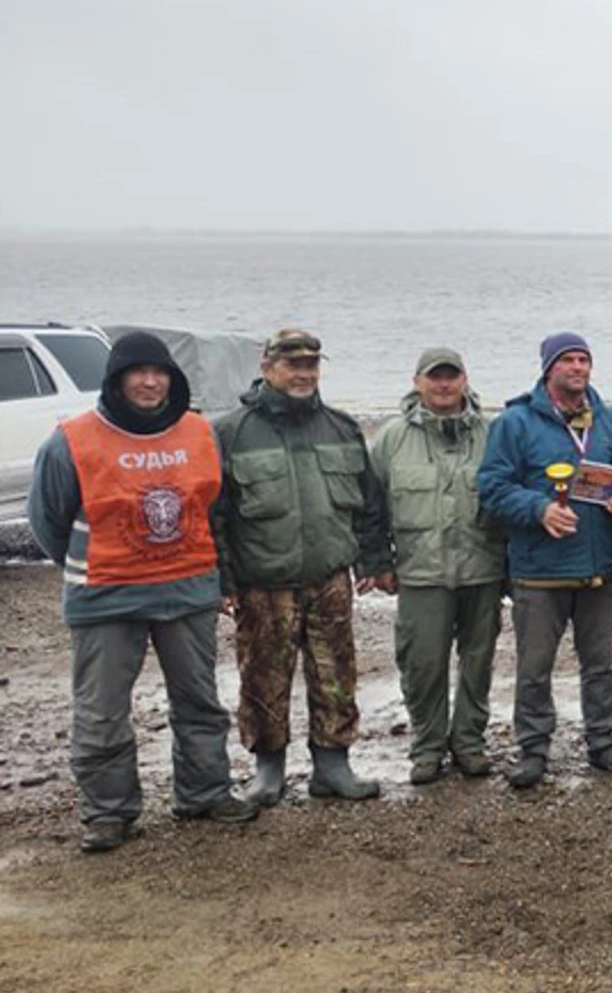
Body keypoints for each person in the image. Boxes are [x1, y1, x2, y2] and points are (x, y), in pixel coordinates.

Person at [28, 331, 259, 851]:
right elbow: (47, 520)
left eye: (160, 373)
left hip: (187, 593)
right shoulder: (72, 440)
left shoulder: (200, 432)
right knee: (102, 711)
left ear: (172, 379)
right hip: (106, 598)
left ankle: (204, 792)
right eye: (138, 372)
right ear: (116, 380)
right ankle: (108, 813)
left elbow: (213, 506)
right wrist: (90, 562)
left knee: (199, 701)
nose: (150, 382)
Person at [213, 328, 394, 806]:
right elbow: (214, 515)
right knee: (263, 678)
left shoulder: (341, 427)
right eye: (293, 365)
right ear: (267, 368)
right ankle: (267, 770)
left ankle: (332, 765)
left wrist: (375, 561)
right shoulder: (231, 432)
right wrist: (223, 580)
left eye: (311, 365)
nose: (303, 374)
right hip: (263, 583)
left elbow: (371, 504)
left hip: (330, 579)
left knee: (337, 674)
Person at [478, 332, 612, 788]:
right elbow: (491, 487)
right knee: (534, 667)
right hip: (538, 569)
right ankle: (532, 748)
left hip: (596, 564)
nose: (578, 367)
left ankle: (604, 740)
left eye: (584, 360)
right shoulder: (514, 423)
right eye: (568, 360)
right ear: (548, 368)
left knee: (600, 664)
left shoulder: (607, 421)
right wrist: (539, 509)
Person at [367, 347, 506, 785]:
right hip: (420, 572)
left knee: (478, 662)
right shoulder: (391, 438)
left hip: (482, 568)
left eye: (451, 376)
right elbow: (371, 507)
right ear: (417, 381)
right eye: (434, 377)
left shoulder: (492, 433)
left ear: (465, 380)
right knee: (422, 663)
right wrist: (377, 562)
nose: (443, 385)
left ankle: (468, 742)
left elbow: (508, 496)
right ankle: (427, 746)